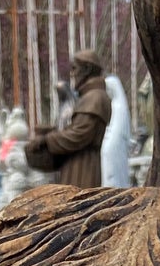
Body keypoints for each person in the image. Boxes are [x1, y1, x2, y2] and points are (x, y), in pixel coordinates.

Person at [25, 49, 111, 189]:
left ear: (87, 69)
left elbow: (78, 135)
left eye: (74, 68)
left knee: (78, 205)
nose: (72, 73)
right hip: (76, 162)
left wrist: (46, 139)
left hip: (83, 166)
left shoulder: (95, 97)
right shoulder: (90, 96)